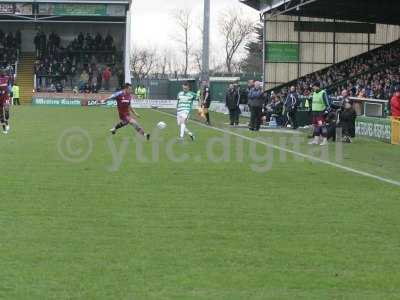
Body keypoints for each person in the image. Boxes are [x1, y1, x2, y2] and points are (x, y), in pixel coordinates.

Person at [309, 82, 330, 146]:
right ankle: (316, 140)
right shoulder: (314, 93)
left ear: (317, 86)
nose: (312, 88)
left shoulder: (323, 93)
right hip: (314, 113)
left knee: (322, 127)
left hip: (320, 113)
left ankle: (325, 140)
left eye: (313, 86)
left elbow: (327, 104)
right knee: (316, 127)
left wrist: (325, 111)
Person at [0, 69, 11, 134]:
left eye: (4, 72)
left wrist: (9, 92)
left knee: (6, 111)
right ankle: (4, 129)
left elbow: (9, 86)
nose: (3, 73)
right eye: (2, 72)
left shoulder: (7, 78)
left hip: (5, 97)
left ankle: (7, 122)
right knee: (1, 115)